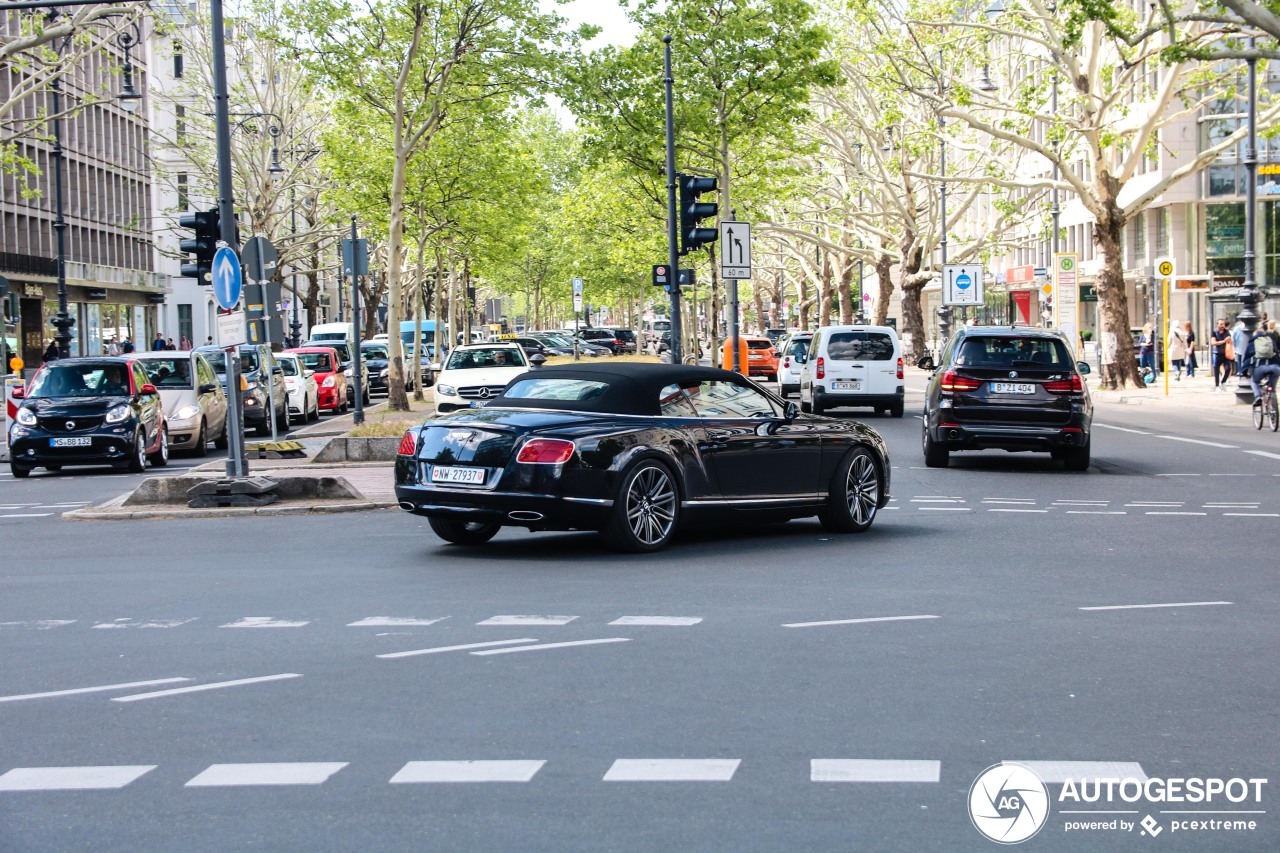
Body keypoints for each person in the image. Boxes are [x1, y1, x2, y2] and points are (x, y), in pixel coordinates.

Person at [1246, 320, 1280, 404]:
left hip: (1260, 367)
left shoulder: (1253, 343)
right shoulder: (1270, 341)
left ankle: (1258, 396)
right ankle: (1273, 409)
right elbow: (1277, 352)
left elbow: (1247, 359)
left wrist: (1244, 371)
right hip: (1275, 367)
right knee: (1272, 388)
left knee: (1254, 381)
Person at [1210, 318, 1232, 391]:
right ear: (1217, 325)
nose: (1222, 326)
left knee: (1228, 368)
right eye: (1221, 324)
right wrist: (1223, 341)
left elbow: (1229, 339)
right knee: (1216, 369)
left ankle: (1223, 382)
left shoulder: (1227, 332)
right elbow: (1213, 343)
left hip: (1225, 353)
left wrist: (1228, 340)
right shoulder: (1214, 332)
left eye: (1223, 324)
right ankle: (1217, 385)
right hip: (1217, 353)